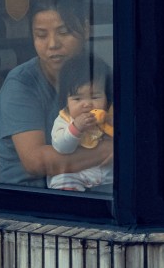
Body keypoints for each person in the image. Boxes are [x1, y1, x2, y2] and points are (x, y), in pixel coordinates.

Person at [0, 0, 112, 186]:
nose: (52, 44)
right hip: (31, 203)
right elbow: (36, 161)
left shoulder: (99, 73)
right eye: (41, 35)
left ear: (85, 29)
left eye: (63, 32)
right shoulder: (21, 84)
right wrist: (109, 150)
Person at [48, 53, 115, 192]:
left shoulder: (112, 115)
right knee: (61, 179)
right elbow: (62, 147)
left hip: (109, 177)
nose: (87, 104)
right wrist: (76, 128)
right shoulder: (64, 120)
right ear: (65, 101)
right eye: (77, 99)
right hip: (78, 174)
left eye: (95, 96)